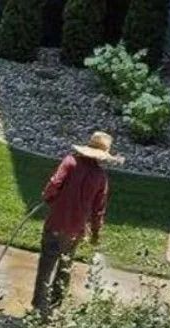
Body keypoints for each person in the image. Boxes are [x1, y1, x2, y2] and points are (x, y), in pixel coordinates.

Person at [32, 132, 116, 316]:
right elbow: (98, 210)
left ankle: (39, 307)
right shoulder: (101, 177)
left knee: (46, 265)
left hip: (55, 224)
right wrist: (95, 233)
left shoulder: (70, 162)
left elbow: (55, 183)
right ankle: (55, 305)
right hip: (75, 231)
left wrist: (48, 197)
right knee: (65, 265)